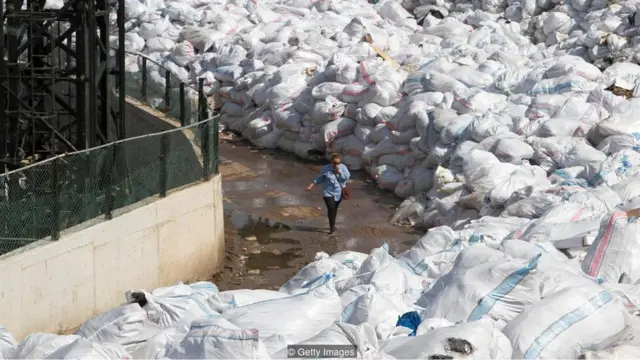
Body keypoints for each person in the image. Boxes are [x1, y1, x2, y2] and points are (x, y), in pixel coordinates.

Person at [306, 153, 351, 235]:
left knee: (335, 209)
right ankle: (331, 227)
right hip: (328, 192)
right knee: (331, 208)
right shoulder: (325, 168)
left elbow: (346, 178)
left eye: (338, 163)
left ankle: (333, 224)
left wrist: (340, 173)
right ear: (331, 162)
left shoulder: (343, 168)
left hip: (339, 192)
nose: (336, 165)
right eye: (335, 163)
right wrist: (311, 185)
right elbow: (320, 177)